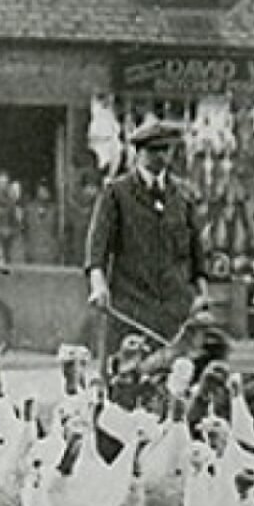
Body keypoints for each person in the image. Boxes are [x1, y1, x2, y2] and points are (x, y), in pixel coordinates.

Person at [86, 122, 207, 358]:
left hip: (174, 314)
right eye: (154, 150)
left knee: (177, 386)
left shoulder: (184, 196)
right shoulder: (116, 193)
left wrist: (202, 296)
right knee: (126, 383)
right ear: (138, 153)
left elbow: (197, 256)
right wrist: (98, 286)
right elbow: (97, 250)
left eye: (166, 150)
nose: (161, 156)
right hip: (130, 312)